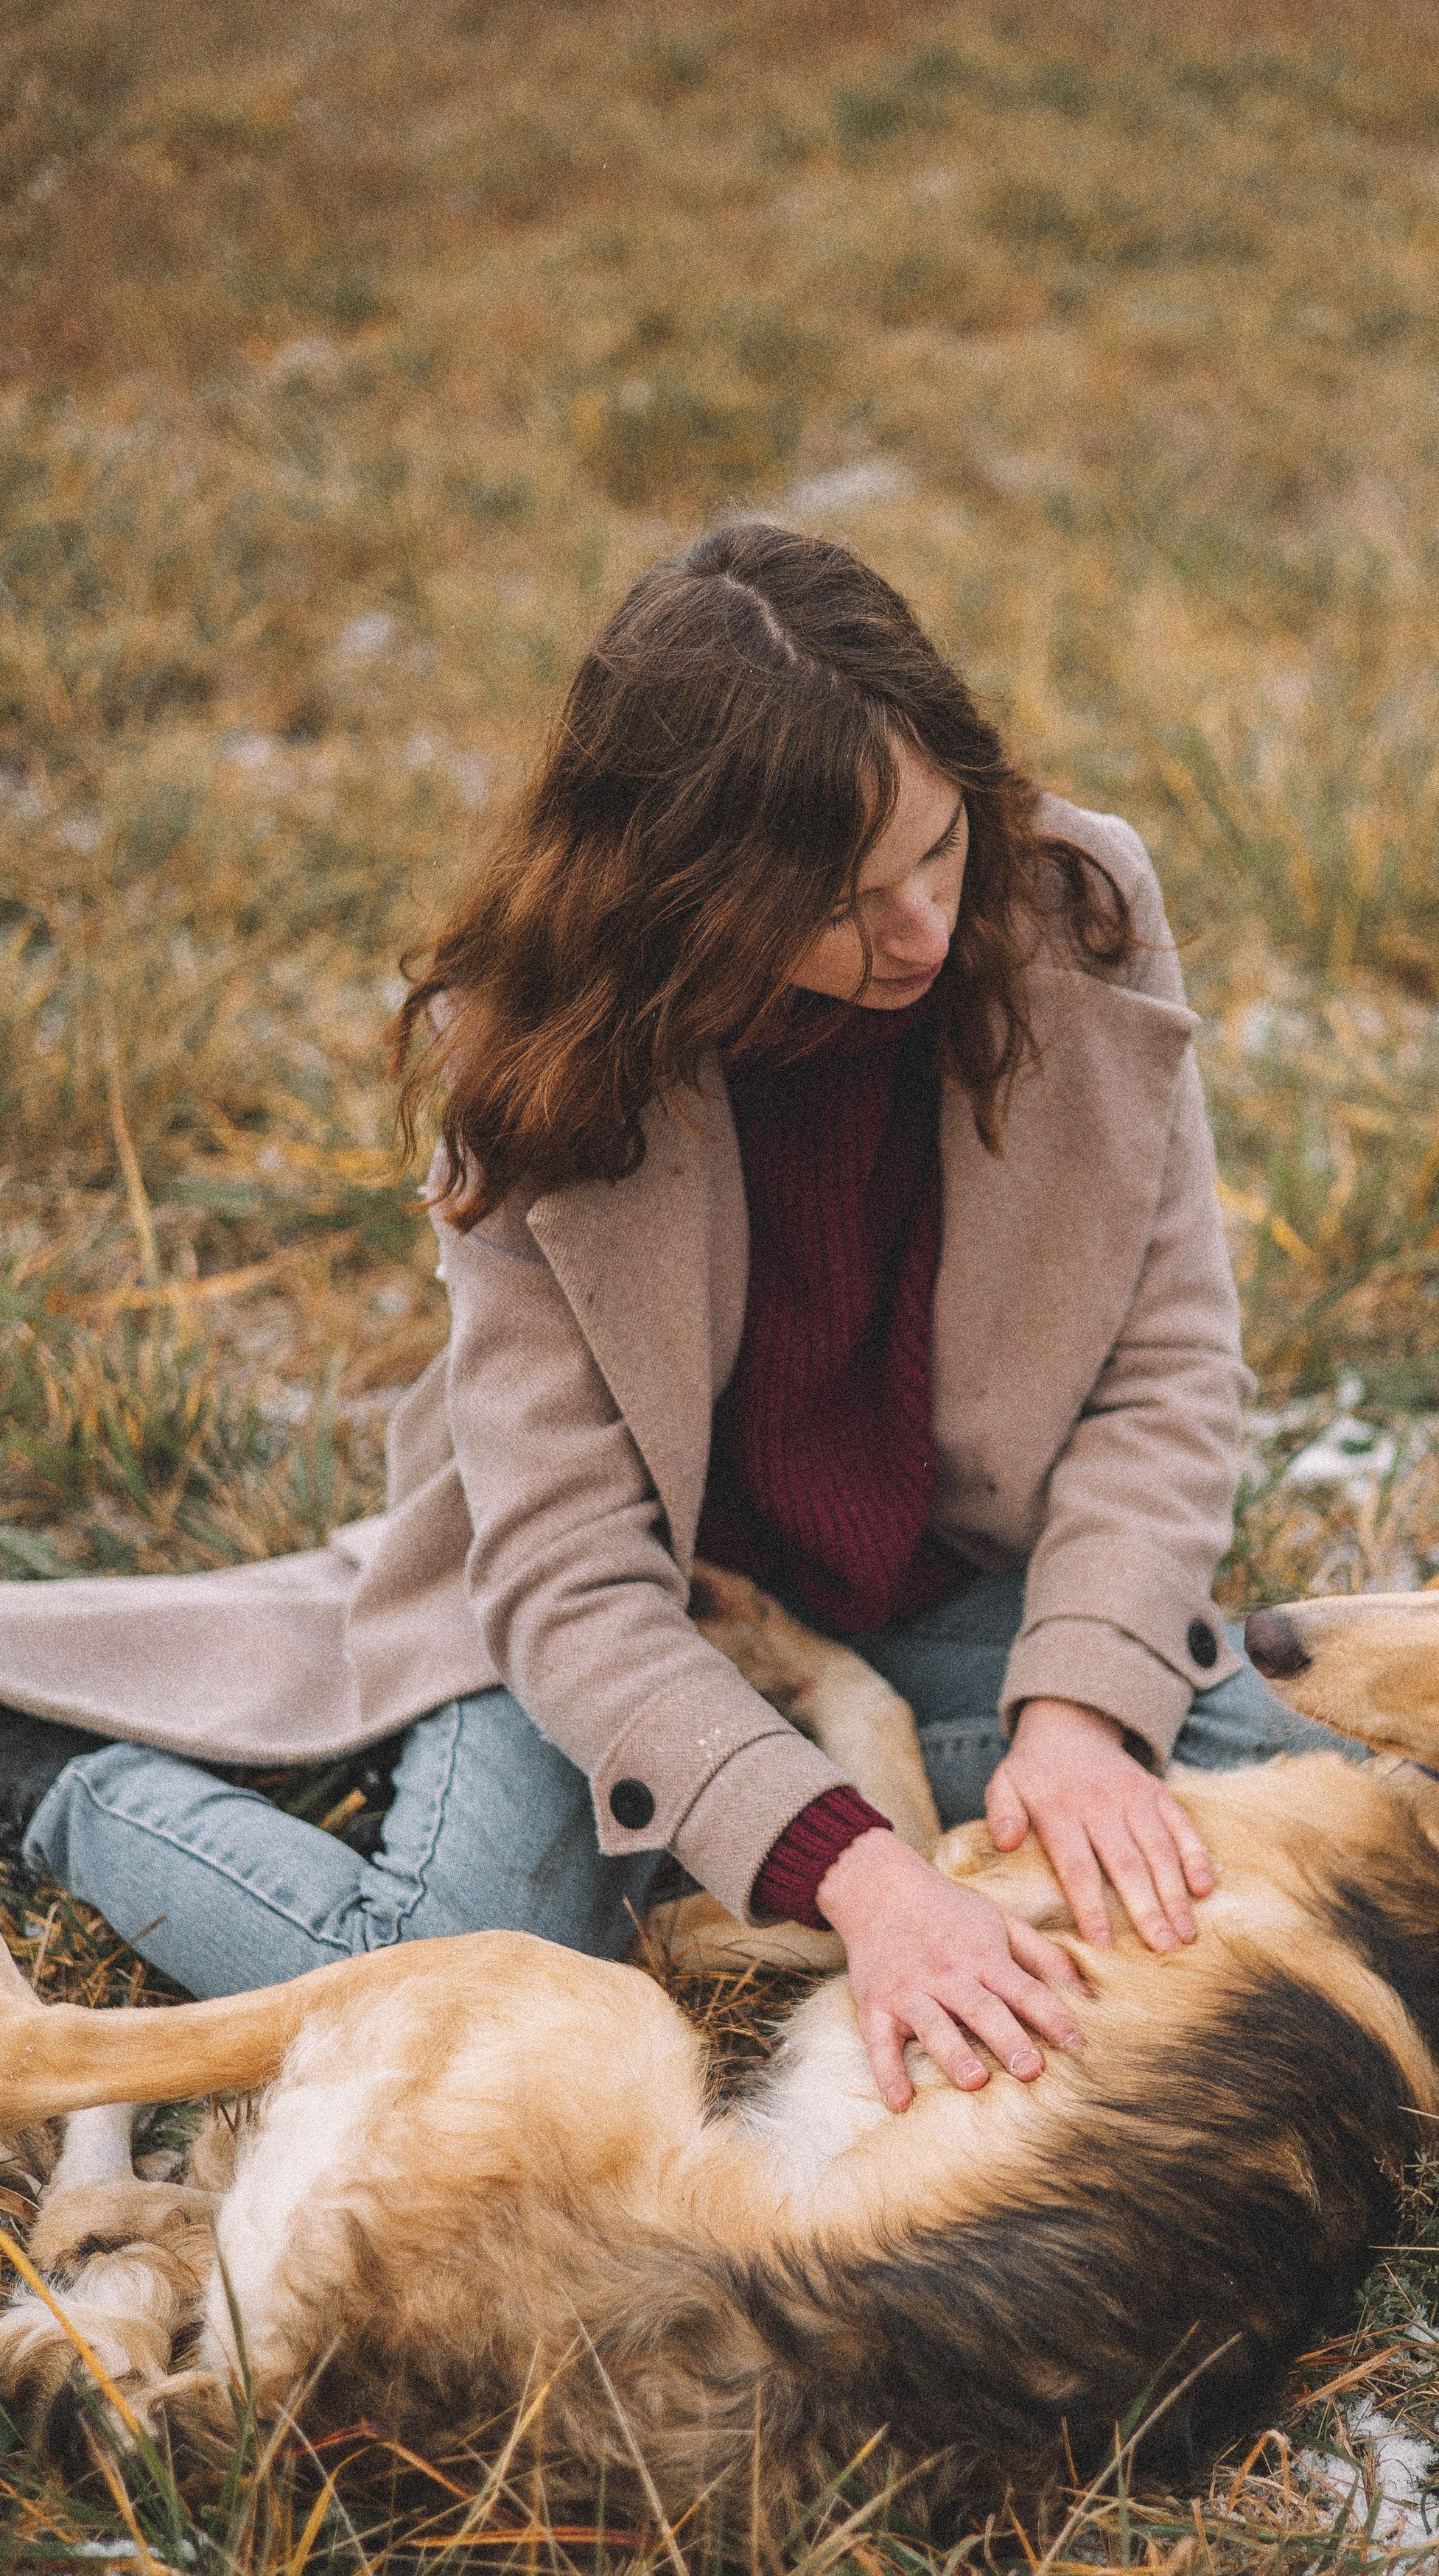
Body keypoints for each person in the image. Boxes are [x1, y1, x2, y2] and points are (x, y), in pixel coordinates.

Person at [0, 524, 1348, 2113]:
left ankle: (742, 1831)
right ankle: (59, 1782)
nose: (922, 931)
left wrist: (1076, 1717)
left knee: (1319, 1769)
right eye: (842, 905)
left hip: (936, 1581)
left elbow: (1165, 1365)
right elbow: (567, 1569)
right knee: (477, 1969)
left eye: (937, 848)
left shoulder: (1071, 903)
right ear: (688, 900)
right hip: (625, 1606)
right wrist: (861, 1877)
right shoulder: (543, 1049)